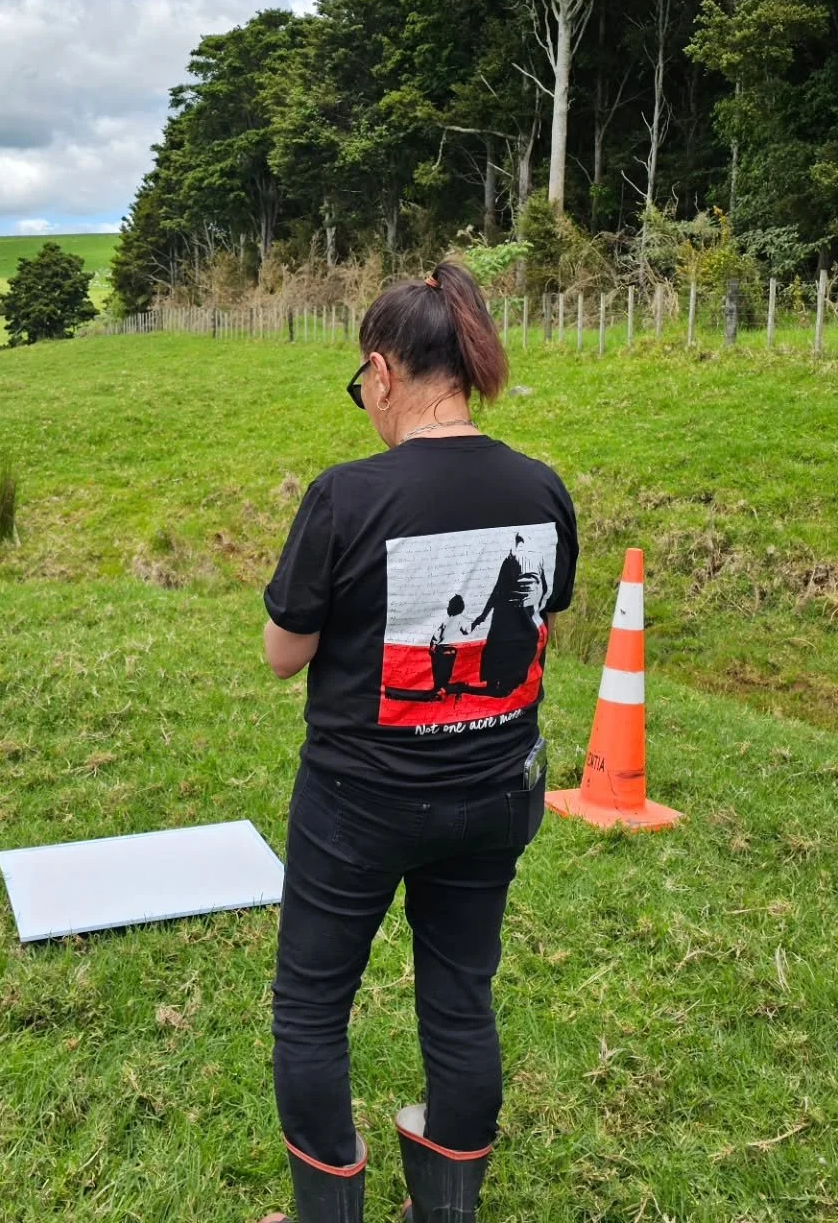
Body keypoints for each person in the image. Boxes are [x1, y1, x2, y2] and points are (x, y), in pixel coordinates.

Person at [258, 262, 578, 1223]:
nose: (364, 405)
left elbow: (284, 654)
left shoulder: (346, 495)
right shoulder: (541, 486)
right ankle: (446, 1212)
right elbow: (544, 618)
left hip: (361, 803)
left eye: (362, 389)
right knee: (459, 997)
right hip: (494, 792)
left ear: (382, 372)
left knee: (312, 1009)